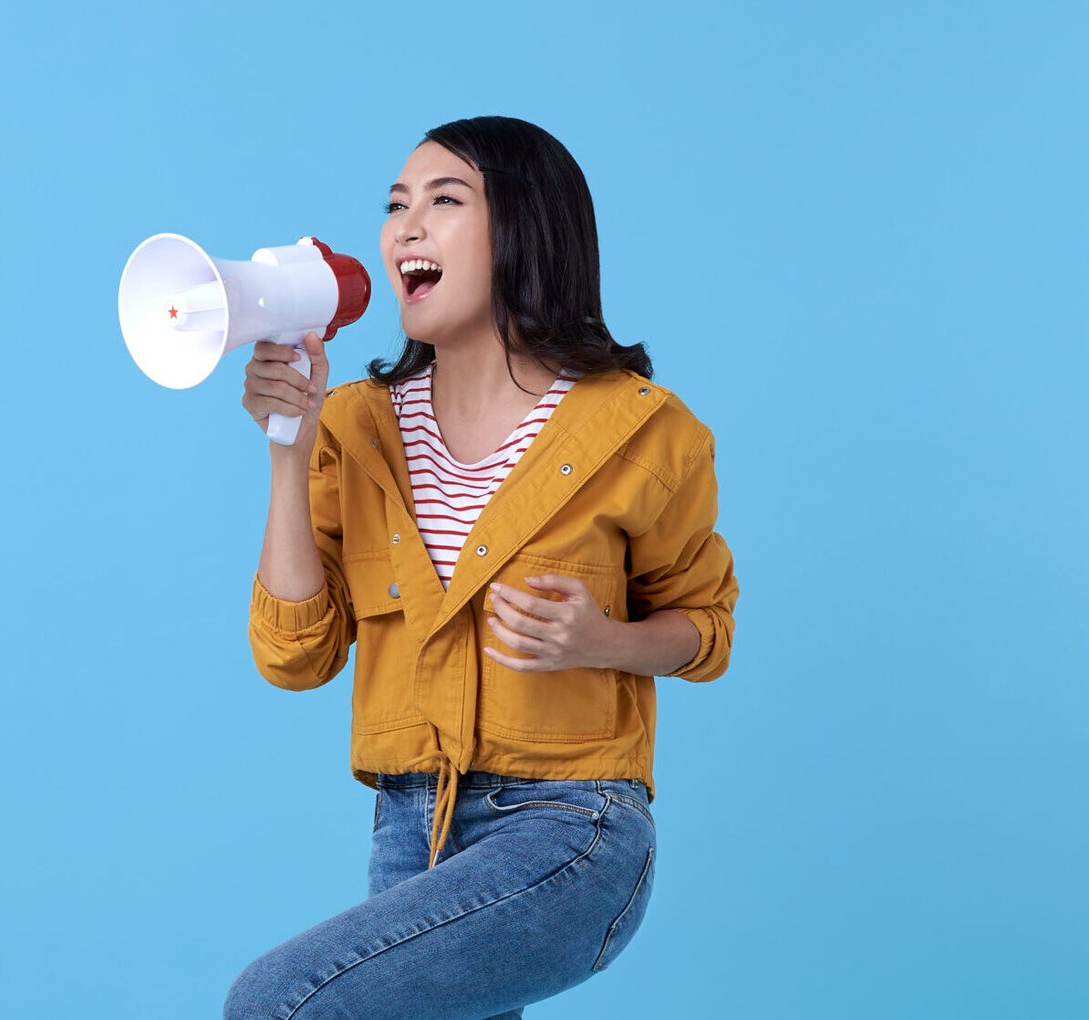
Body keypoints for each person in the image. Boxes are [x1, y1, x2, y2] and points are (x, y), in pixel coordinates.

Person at [224, 115, 739, 1019]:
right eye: (395, 205)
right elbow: (294, 657)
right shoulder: (354, 423)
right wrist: (288, 449)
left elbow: (706, 629)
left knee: (279, 1003)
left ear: (526, 229)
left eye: (444, 200)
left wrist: (603, 639)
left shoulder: (644, 429)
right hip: (406, 831)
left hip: (569, 829)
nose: (405, 227)